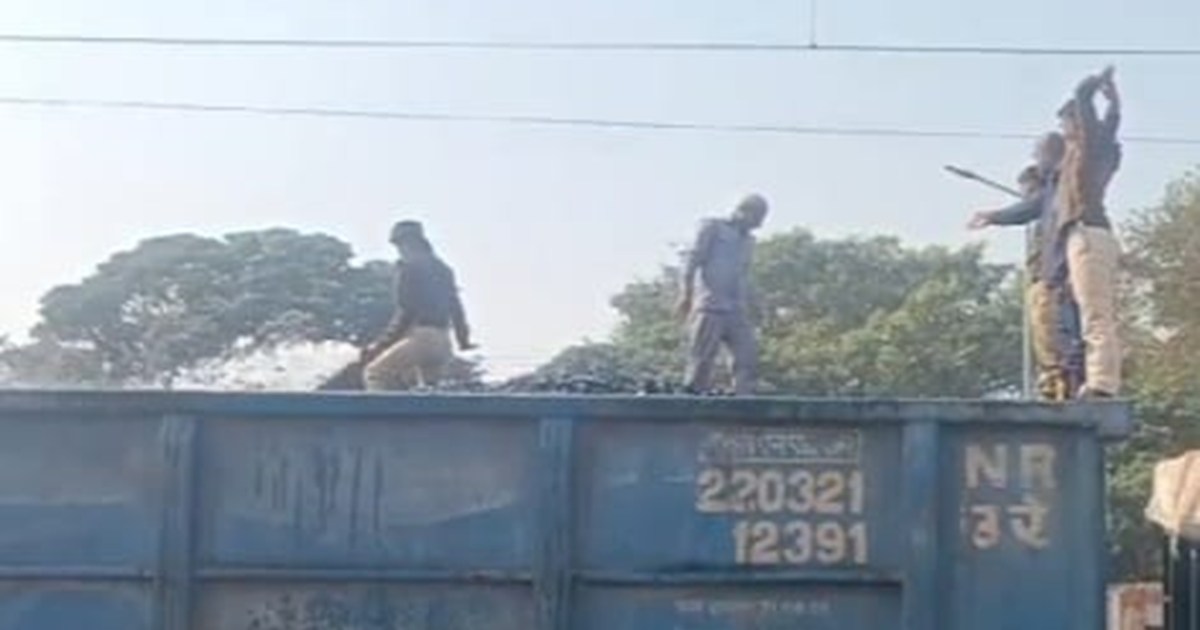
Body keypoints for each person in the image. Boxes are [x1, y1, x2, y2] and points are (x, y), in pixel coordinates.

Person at [968, 133, 1085, 400]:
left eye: (1038, 153)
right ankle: (1058, 378)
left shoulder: (1057, 190)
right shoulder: (1054, 197)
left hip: (1054, 276)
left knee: (1054, 332)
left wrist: (994, 216)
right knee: (1050, 332)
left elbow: (1028, 208)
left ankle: (1062, 381)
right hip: (1048, 275)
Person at [1055, 66, 1123, 398]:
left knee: (1095, 315)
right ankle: (1096, 379)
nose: (1063, 130)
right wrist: (1114, 104)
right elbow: (1109, 127)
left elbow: (1084, 102)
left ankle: (1101, 384)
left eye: (1066, 123)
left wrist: (1094, 85)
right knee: (1091, 312)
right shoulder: (1097, 152)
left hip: (1087, 234)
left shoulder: (1086, 149)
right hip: (1090, 235)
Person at [362, 220, 475, 391]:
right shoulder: (443, 269)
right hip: (444, 341)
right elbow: (456, 307)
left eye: (399, 245)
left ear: (409, 243)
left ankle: (386, 410)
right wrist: (463, 340)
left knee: (376, 374)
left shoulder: (409, 268)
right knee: (428, 390)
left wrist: (379, 346)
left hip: (422, 338)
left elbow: (406, 312)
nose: (399, 250)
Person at [677, 194, 768, 395]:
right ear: (744, 211)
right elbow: (692, 260)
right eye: (757, 218)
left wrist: (755, 304)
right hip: (710, 305)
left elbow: (743, 275)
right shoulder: (712, 227)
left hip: (736, 309)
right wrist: (686, 293)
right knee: (702, 358)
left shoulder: (749, 241)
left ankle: (742, 397)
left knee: (747, 356)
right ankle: (693, 397)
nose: (759, 225)